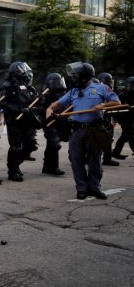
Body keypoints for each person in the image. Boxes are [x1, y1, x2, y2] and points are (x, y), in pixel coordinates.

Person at [46, 62, 120, 200]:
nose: (74, 78)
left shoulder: (101, 88)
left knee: (95, 161)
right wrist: (50, 109)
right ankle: (82, 188)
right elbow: (58, 103)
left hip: (95, 130)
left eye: (76, 75)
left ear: (85, 76)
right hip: (77, 130)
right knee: (76, 160)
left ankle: (94, 188)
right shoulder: (74, 91)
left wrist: (103, 105)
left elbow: (117, 102)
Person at [0, 61, 41, 182]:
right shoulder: (7, 86)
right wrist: (18, 109)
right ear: (16, 72)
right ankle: (12, 171)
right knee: (16, 147)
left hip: (28, 120)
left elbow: (35, 101)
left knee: (31, 145)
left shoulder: (29, 87)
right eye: (23, 69)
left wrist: (39, 100)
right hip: (14, 121)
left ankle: (15, 165)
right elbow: (2, 103)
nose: (26, 72)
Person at [40, 73, 68, 176]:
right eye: (57, 82)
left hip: (59, 121)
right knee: (54, 143)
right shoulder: (46, 94)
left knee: (51, 144)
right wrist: (51, 114)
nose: (59, 84)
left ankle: (46, 167)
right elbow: (41, 108)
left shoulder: (63, 94)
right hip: (48, 122)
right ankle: (54, 167)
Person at [97, 72, 120, 166]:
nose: (110, 83)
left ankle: (107, 158)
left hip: (107, 117)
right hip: (100, 117)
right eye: (108, 81)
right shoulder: (99, 89)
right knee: (99, 138)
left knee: (109, 138)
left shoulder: (109, 90)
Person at [113, 76, 134, 159]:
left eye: (133, 85)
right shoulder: (122, 95)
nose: (131, 87)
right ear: (126, 85)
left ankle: (116, 152)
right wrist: (119, 119)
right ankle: (116, 152)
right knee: (129, 134)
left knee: (127, 135)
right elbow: (117, 108)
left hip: (132, 118)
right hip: (124, 118)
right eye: (130, 85)